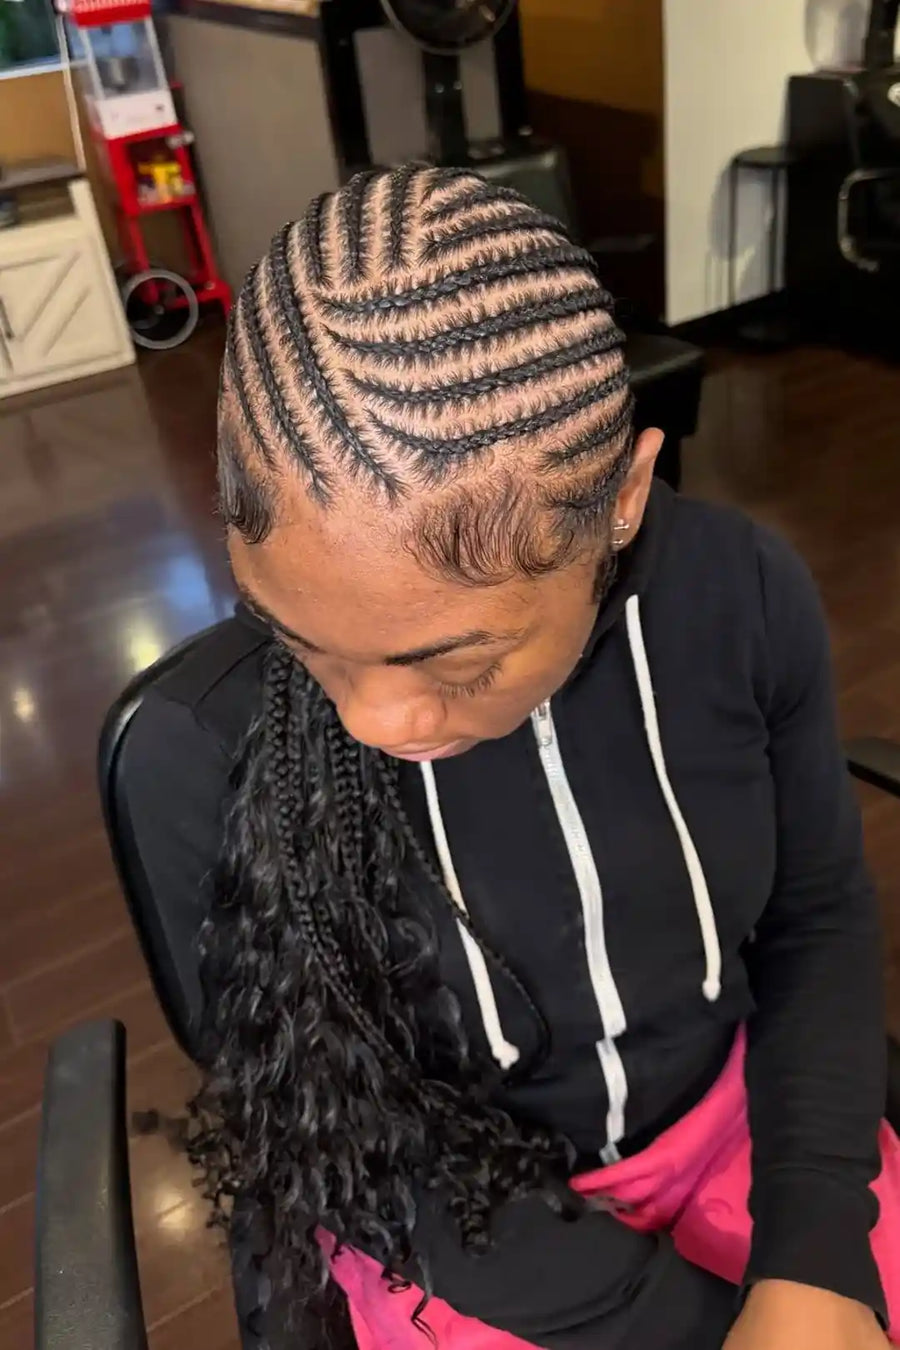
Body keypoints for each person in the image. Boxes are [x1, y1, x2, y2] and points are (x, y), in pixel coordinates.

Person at [123, 165, 900, 1350]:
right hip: (469, 1235)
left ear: (625, 497)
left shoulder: (740, 598)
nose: (378, 722)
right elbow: (361, 1145)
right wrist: (694, 1328)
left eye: (459, 662)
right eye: (304, 644)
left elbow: (816, 921)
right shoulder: (207, 747)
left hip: (749, 1131)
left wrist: (814, 1250)